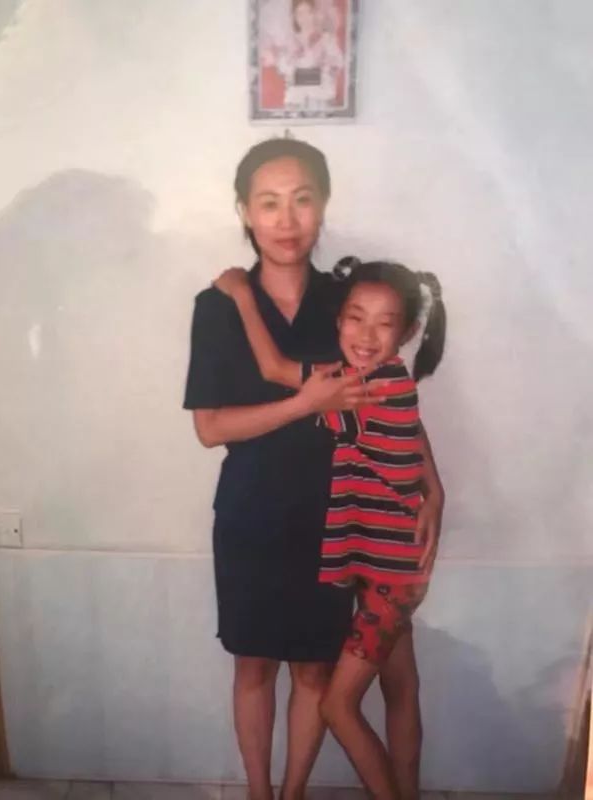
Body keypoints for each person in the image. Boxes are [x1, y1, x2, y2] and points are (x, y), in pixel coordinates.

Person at [184, 137, 444, 800]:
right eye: (269, 202)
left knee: (312, 674)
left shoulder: (346, 301)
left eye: (302, 199)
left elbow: (387, 394)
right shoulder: (219, 305)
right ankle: (259, 793)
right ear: (245, 211)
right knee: (252, 668)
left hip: (338, 522)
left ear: (323, 205)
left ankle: (293, 793)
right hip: (250, 513)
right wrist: (304, 404)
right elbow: (211, 428)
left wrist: (433, 487)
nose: (286, 218)